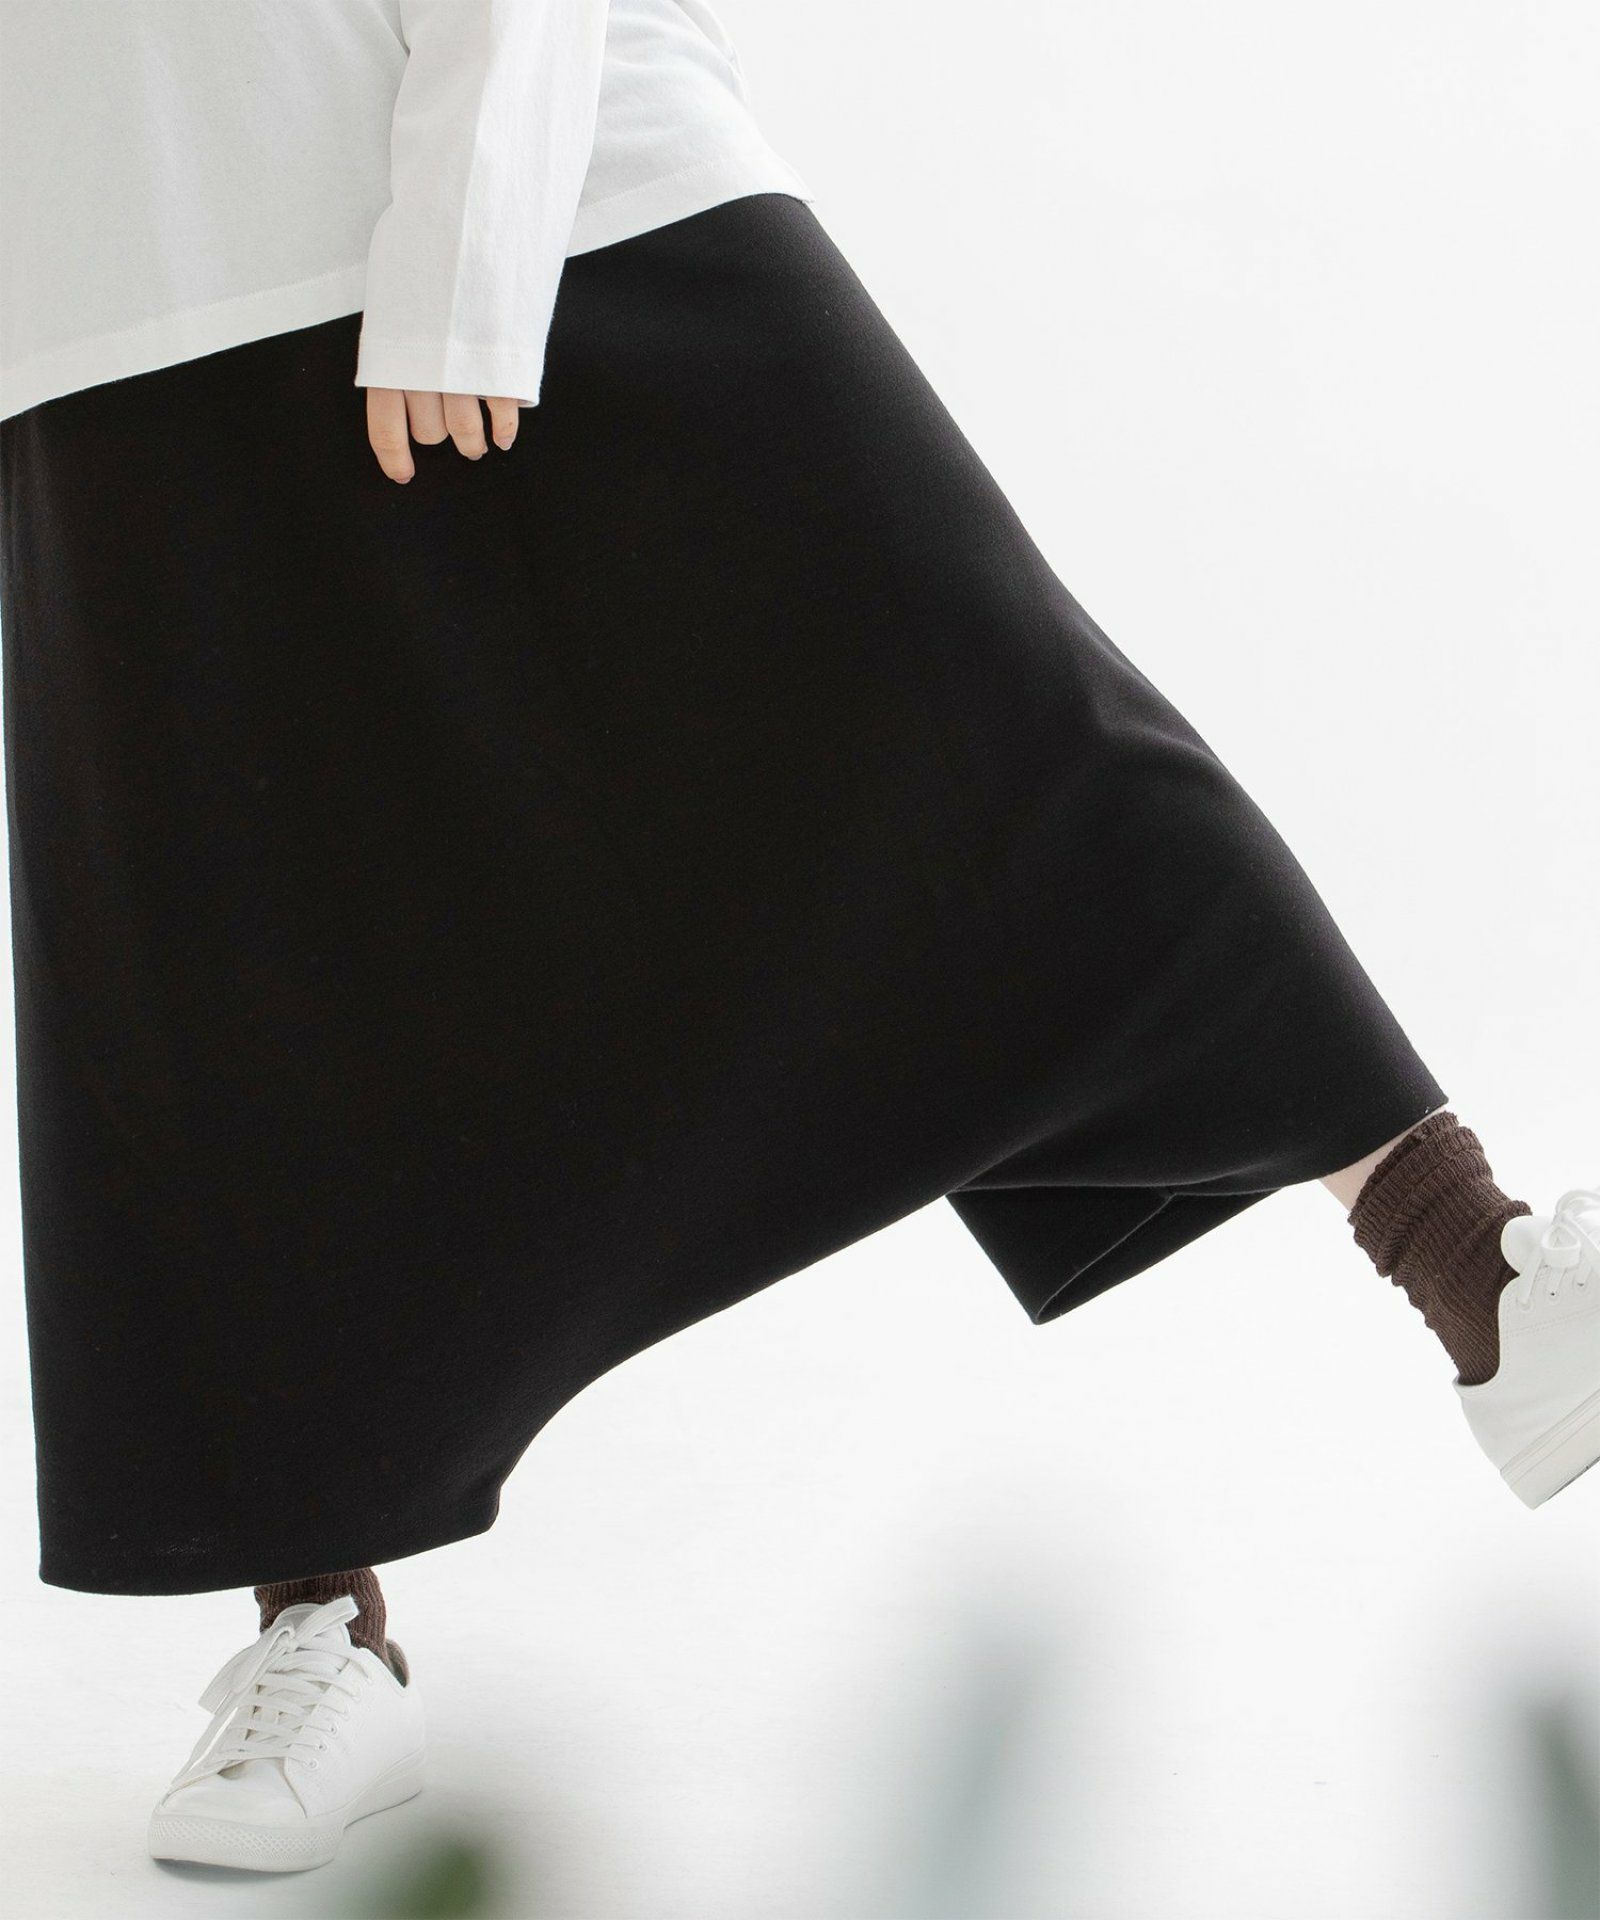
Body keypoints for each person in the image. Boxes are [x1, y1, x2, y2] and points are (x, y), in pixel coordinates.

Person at [0, 0, 1594, 1879]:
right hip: (100, 262)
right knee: (230, 953)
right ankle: (316, 1626)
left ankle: (1477, 1267)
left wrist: (467, 249)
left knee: (996, 733)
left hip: (556, 178)